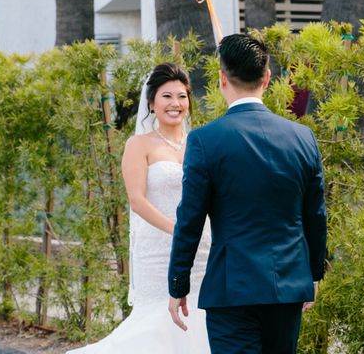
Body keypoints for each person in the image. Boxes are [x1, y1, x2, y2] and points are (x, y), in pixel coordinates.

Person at [168, 34, 327, 353]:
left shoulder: (204, 140)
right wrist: (312, 273)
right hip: (287, 284)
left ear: (221, 79)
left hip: (232, 287)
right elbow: (315, 214)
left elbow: (190, 220)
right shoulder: (302, 137)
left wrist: (178, 284)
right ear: (267, 78)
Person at [68, 63, 211, 353]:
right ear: (151, 102)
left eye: (182, 96)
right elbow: (137, 200)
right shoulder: (139, 144)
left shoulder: (200, 144)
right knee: (157, 320)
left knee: (201, 316)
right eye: (167, 96)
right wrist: (180, 231)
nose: (176, 104)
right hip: (159, 249)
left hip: (204, 247)